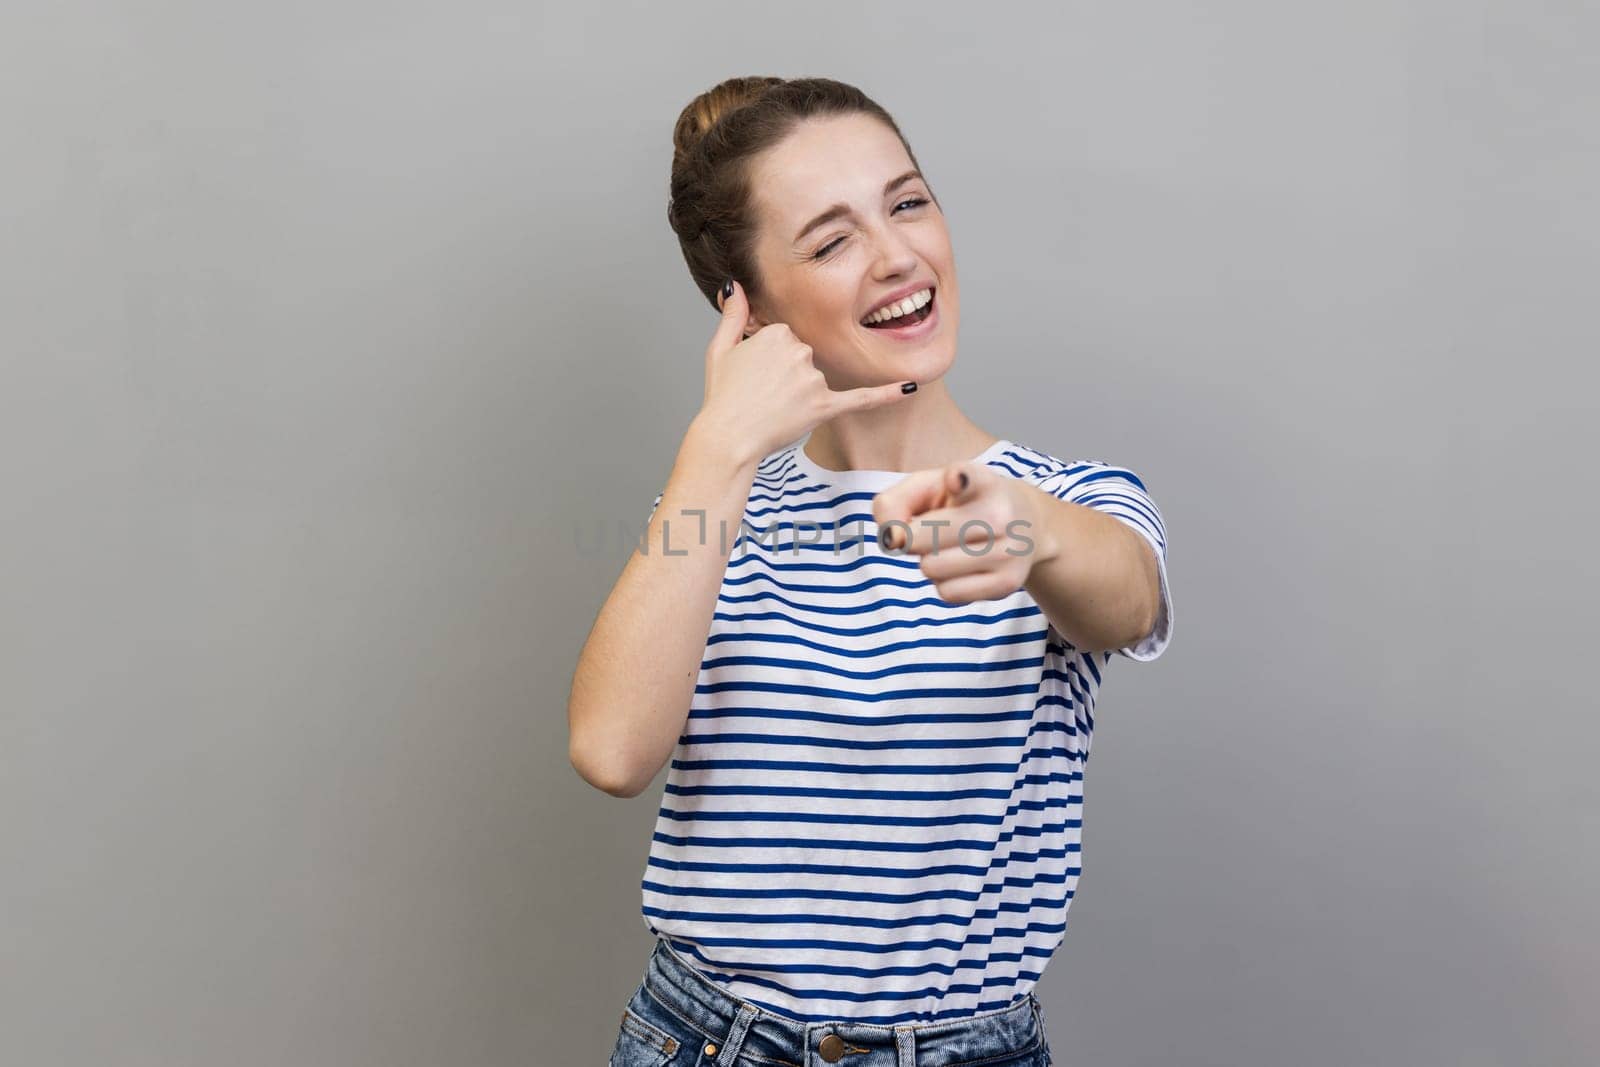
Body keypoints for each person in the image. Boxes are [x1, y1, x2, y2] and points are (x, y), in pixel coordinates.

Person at [569, 76, 1173, 1066]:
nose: (898, 255)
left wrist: (1027, 529)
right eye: (831, 239)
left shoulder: (1069, 500)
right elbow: (610, 750)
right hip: (707, 1042)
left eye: (907, 201)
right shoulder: (710, 514)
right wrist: (716, 448)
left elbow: (1126, 597)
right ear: (748, 303)